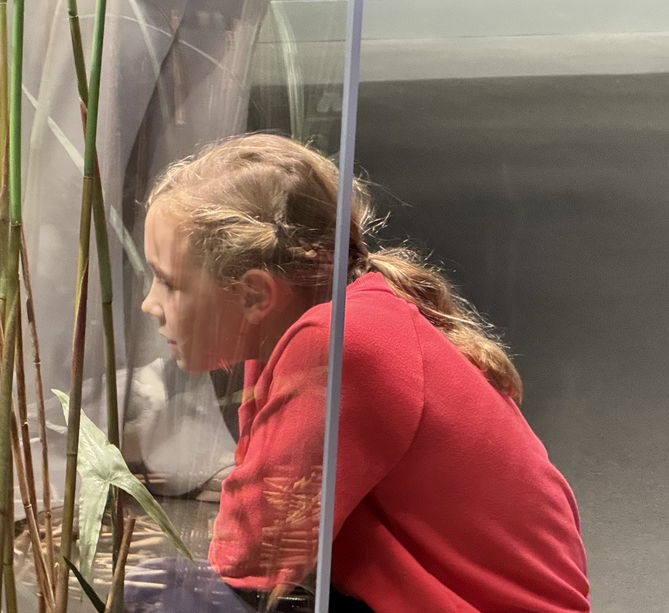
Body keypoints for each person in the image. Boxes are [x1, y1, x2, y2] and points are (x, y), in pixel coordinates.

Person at [134, 133, 591, 611]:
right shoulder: (311, 324)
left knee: (172, 598)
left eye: (167, 282)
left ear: (254, 295)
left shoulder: (335, 343)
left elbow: (253, 553)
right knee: (164, 586)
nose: (151, 304)